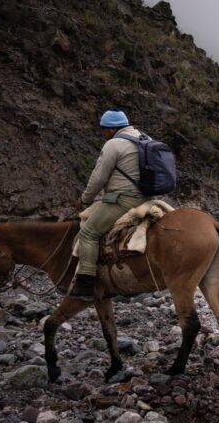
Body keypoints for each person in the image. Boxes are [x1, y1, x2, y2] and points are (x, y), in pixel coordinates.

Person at [69, 109, 151, 301]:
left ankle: (86, 284)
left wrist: (85, 200)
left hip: (124, 200)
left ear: (112, 129)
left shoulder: (114, 144)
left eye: (104, 130)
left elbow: (98, 178)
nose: (102, 134)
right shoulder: (144, 138)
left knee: (89, 232)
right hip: (148, 198)